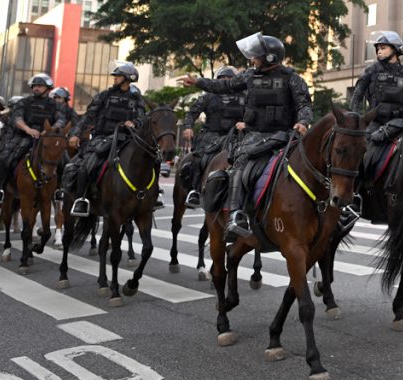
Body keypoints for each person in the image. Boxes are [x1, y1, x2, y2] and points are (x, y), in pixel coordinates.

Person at [179, 32, 312, 240]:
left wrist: (303, 122)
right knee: (239, 166)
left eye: (257, 56)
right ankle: (236, 215)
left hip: (285, 136)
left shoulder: (293, 79)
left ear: (270, 57)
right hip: (254, 136)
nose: (253, 59)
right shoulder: (249, 76)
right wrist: (198, 82)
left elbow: (304, 104)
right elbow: (223, 86)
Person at [63, 63, 147, 217]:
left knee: (149, 160)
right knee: (85, 165)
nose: (114, 78)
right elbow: (88, 117)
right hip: (102, 137)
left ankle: (153, 197)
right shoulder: (104, 96)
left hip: (127, 139)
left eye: (118, 76)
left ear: (128, 79)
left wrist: (134, 123)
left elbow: (143, 118)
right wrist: (75, 134)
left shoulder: (137, 99)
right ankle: (81, 200)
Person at [0, 74, 67, 204]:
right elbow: (16, 118)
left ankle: (59, 190)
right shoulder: (24, 102)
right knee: (4, 159)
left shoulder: (56, 105)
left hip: (47, 138)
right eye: (34, 86)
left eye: (40, 86)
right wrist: (28, 129)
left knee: (65, 161)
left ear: (48, 88)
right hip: (24, 136)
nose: (36, 88)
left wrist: (49, 130)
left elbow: (61, 120)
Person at [181, 66, 245, 208]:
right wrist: (188, 127)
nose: (225, 80)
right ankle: (195, 190)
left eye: (229, 78)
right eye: (222, 78)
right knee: (200, 157)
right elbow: (192, 112)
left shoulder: (244, 97)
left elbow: (254, 113)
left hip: (236, 136)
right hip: (211, 135)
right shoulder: (208, 96)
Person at [349, 30, 403, 148]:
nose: (379, 51)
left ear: (395, 49)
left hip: (399, 122)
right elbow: (357, 95)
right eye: (378, 49)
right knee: (361, 149)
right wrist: (352, 118)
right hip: (374, 122)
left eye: (383, 48)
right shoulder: (371, 70)